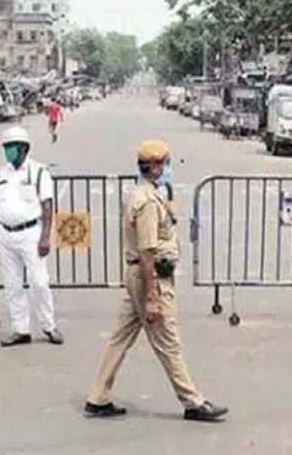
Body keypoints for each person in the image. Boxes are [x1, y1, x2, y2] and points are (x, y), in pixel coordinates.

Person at [85, 140, 228, 422]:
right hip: (150, 277)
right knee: (167, 340)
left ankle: (98, 395)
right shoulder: (148, 202)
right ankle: (193, 401)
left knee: (120, 337)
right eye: (165, 163)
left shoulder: (141, 193)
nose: (168, 168)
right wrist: (152, 296)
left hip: (138, 275)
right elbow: (147, 251)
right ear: (154, 166)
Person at [0, 126, 63, 347]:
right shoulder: (1, 175)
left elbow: (47, 206)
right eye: (6, 147)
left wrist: (46, 237)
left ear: (24, 148)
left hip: (30, 233)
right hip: (6, 234)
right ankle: (21, 329)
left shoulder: (39, 172)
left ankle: (48, 326)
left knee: (39, 282)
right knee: (12, 285)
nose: (8, 151)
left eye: (12, 147)